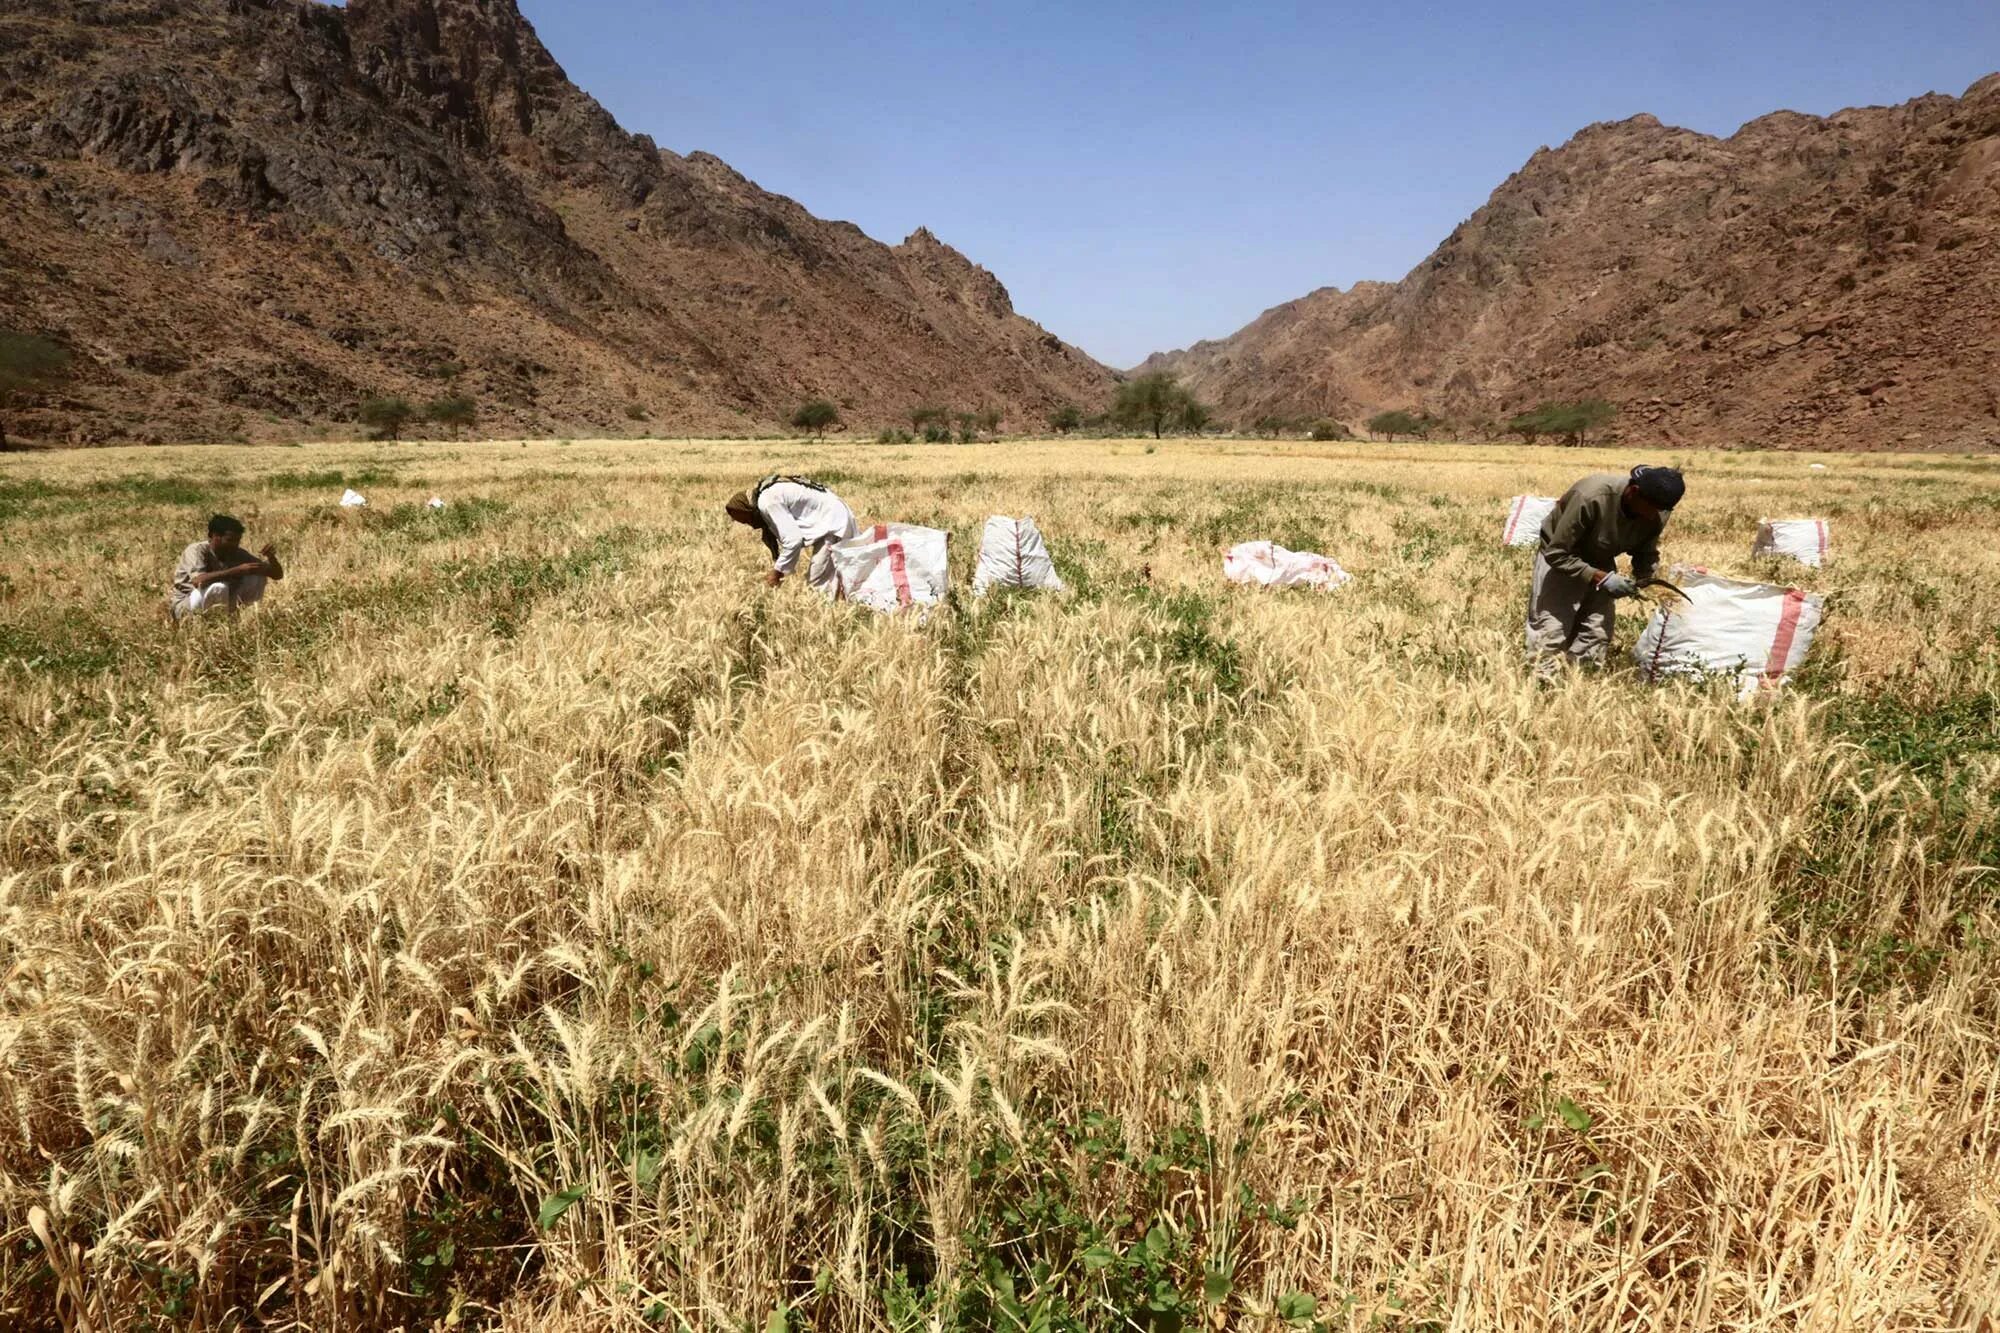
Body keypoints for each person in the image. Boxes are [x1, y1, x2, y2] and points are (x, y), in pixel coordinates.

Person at [1526, 465, 1684, 668]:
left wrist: (1650, 582)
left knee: (1595, 632)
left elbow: (1645, 551)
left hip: (1601, 556)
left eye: (1662, 510)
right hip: (1562, 557)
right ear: (1634, 492)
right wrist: (1602, 578)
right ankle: (1543, 686)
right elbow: (1557, 553)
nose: (1654, 516)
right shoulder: (1591, 497)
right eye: (1651, 509)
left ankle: (1581, 682)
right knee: (1551, 629)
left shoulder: (1657, 511)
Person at [725, 475, 859, 597]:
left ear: (747, 509)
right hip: (832, 516)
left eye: (746, 520)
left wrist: (777, 572)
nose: (750, 524)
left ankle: (832, 614)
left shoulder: (768, 502)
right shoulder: (766, 496)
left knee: (818, 583)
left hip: (833, 521)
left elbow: (793, 540)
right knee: (830, 579)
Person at [170, 514, 284, 621]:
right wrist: (237, 571)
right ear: (214, 536)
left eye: (237, 540)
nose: (235, 544)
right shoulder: (197, 550)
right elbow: (198, 581)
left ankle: (236, 619)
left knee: (257, 578)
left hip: (221, 602)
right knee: (219, 587)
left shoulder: (236, 552)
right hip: (187, 604)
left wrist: (271, 558)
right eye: (230, 540)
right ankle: (206, 623)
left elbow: (276, 575)